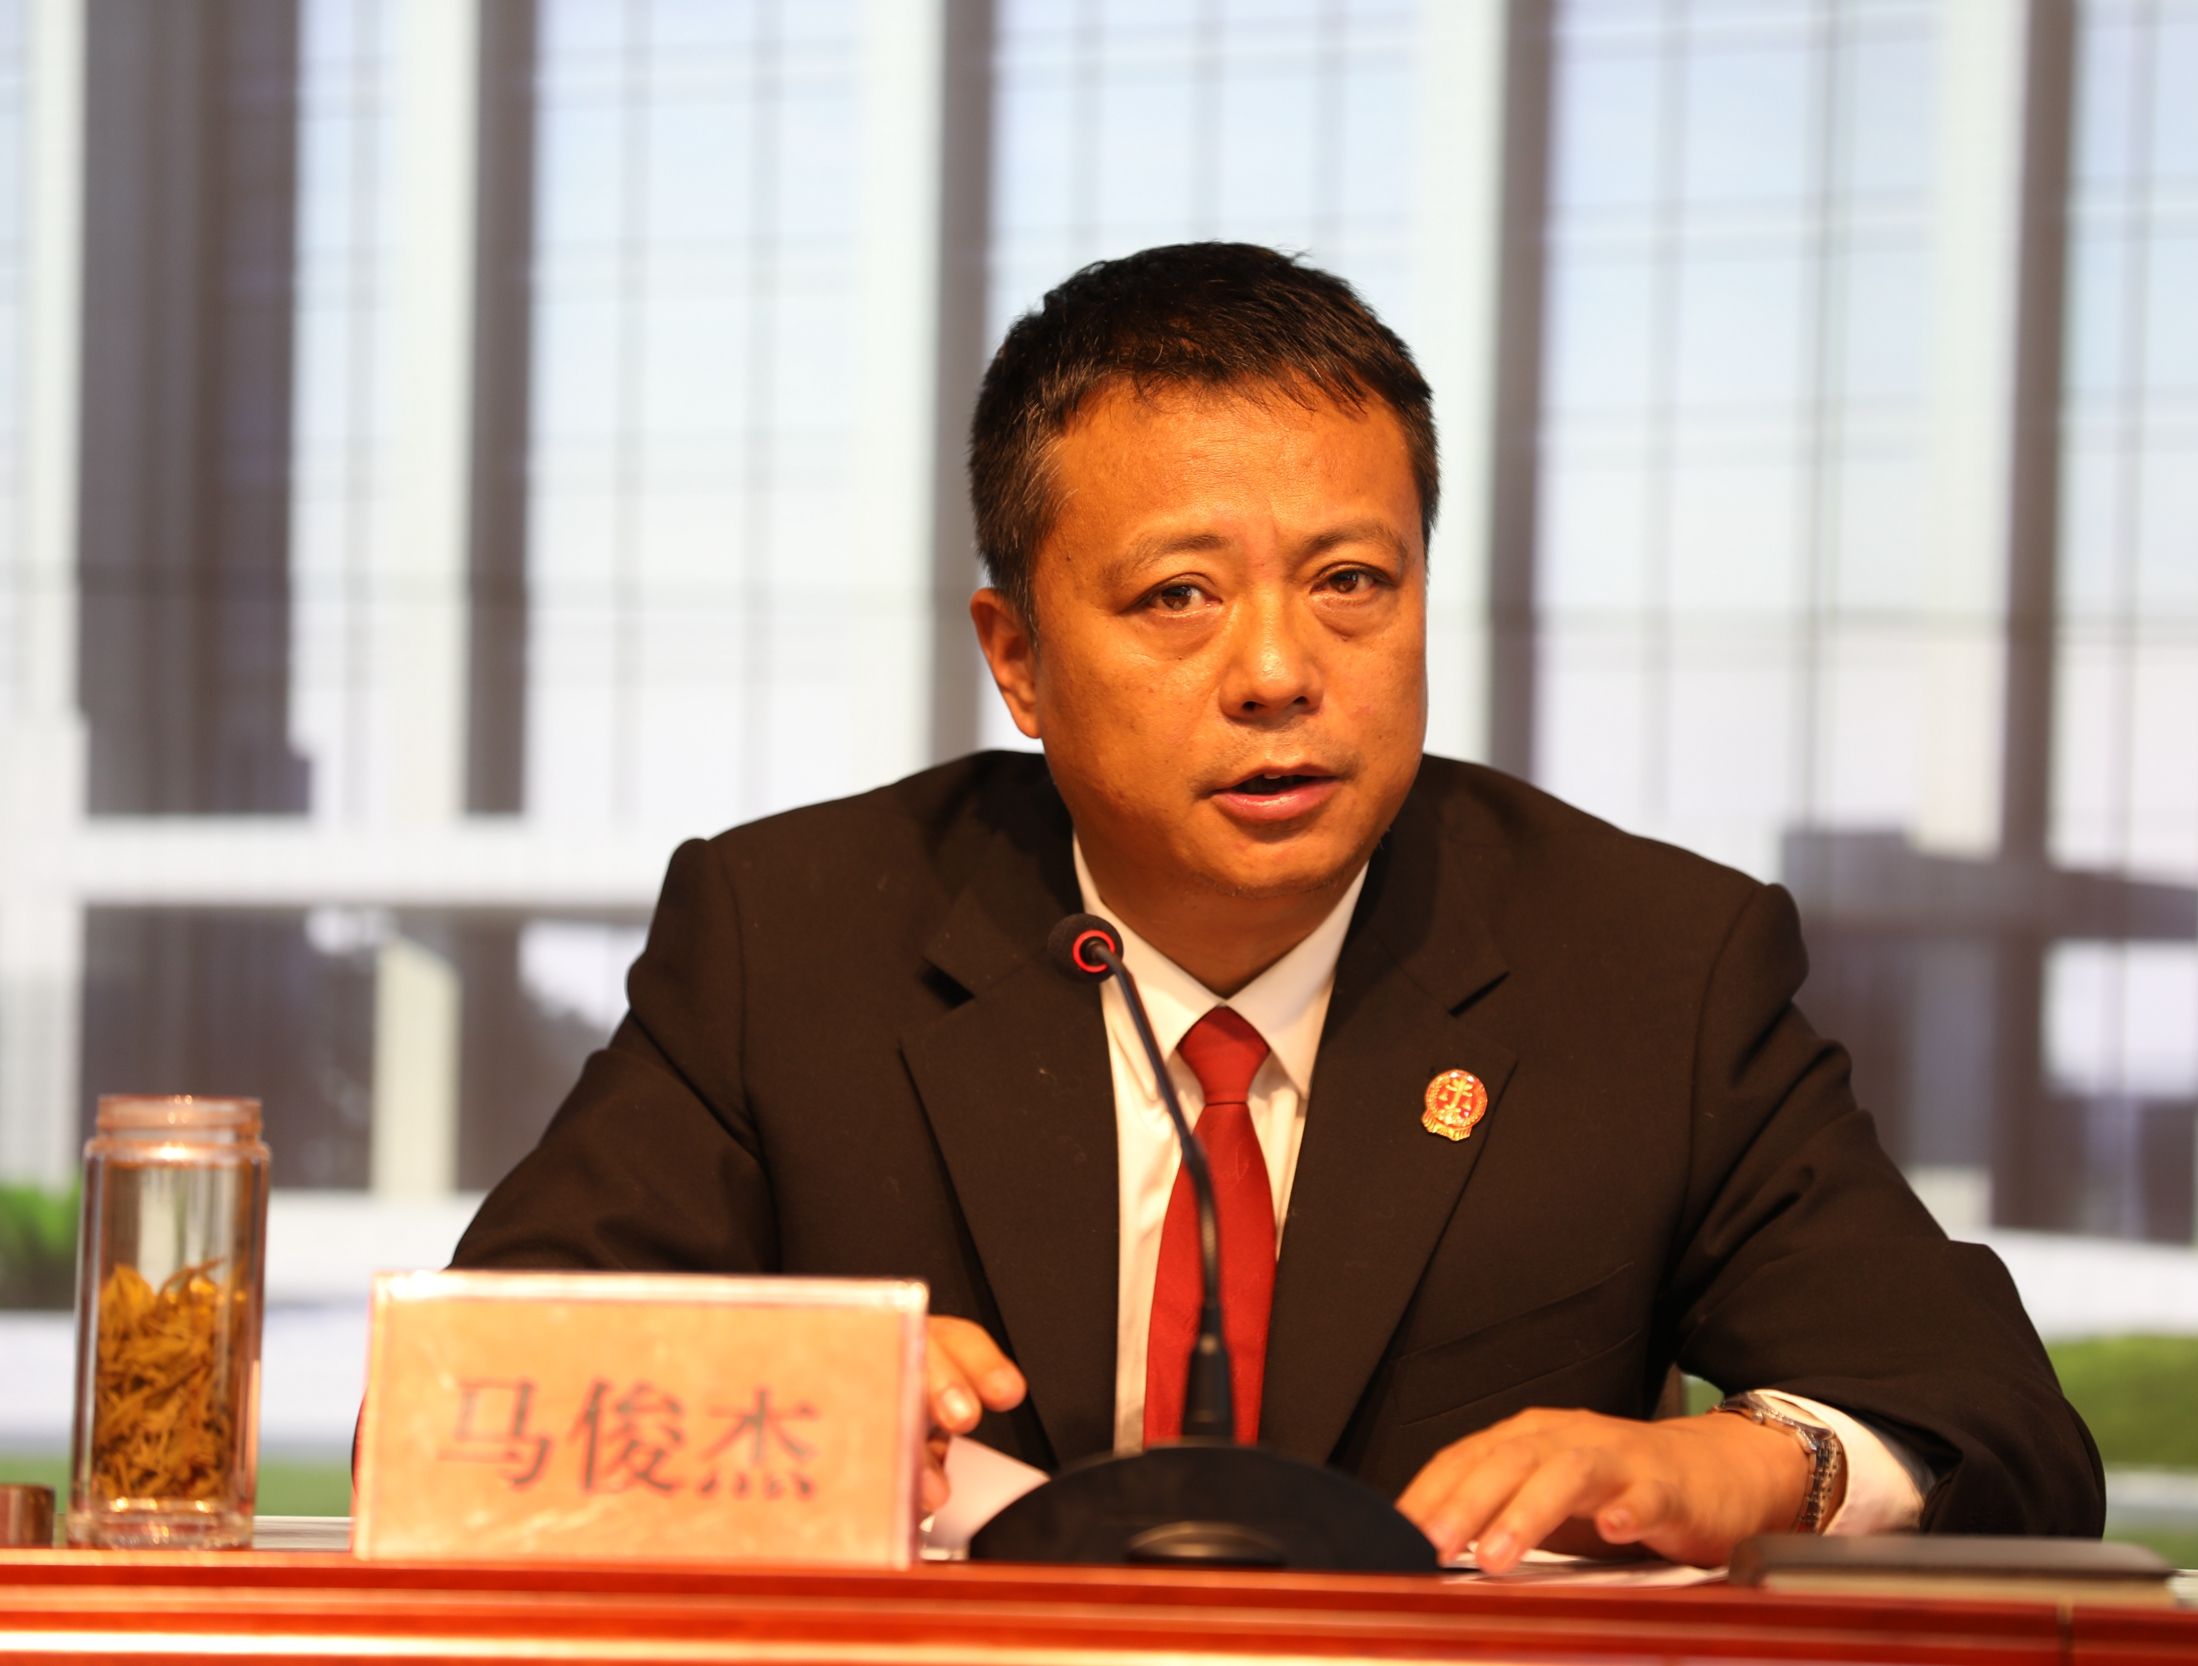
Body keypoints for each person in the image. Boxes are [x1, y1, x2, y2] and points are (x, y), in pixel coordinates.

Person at [452, 242, 2104, 1569]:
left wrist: (1747, 1465)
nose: (1276, 672)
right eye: (1179, 594)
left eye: (1351, 583)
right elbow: (471, 1404)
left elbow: (1997, 1430)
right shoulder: (794, 937)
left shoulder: (1650, 967)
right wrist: (780, 1399)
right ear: (1017, 656)